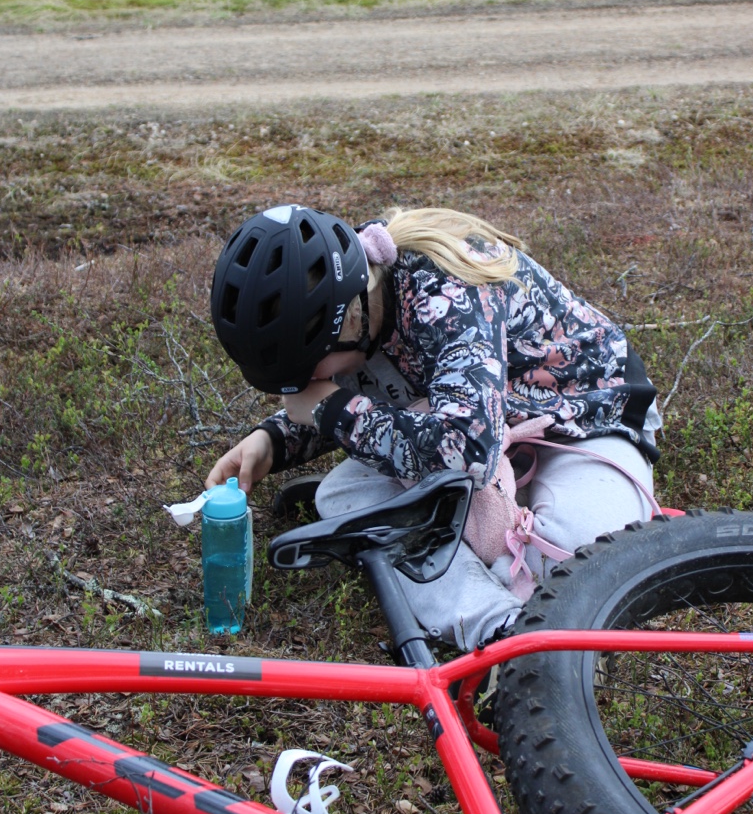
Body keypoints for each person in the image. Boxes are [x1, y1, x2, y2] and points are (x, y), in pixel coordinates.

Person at [206, 204, 661, 650]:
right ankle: (500, 631)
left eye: (307, 368)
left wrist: (333, 411)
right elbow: (363, 385)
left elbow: (467, 452)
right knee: (339, 495)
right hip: (473, 428)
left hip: (582, 419)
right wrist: (274, 440)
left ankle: (498, 542)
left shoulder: (445, 294)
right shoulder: (349, 299)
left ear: (353, 317)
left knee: (584, 566)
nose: (306, 384)